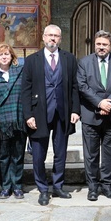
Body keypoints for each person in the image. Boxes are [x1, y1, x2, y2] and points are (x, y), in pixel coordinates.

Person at [21, 25, 80, 206]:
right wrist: (28, 115)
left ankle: (58, 186)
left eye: (56, 36)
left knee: (60, 152)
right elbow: (25, 89)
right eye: (50, 35)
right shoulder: (32, 60)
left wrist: (75, 110)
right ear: (43, 37)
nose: (53, 39)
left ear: (60, 39)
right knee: (38, 154)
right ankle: (43, 188)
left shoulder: (69, 59)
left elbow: (75, 87)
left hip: (63, 112)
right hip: (39, 113)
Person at [77, 30, 111, 201]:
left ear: (110, 46)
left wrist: (109, 102)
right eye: (98, 44)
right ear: (94, 45)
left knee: (109, 153)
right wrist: (100, 103)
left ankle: (107, 185)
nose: (101, 47)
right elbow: (82, 86)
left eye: (104, 44)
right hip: (91, 115)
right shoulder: (84, 62)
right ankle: (92, 187)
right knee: (91, 154)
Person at [0, 44, 26, 200]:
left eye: (7, 54)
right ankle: (5, 186)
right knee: (3, 156)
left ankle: (17, 186)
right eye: (1, 54)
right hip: (2, 121)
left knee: (18, 155)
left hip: (18, 118)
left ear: (12, 56)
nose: (4, 57)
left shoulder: (20, 72)